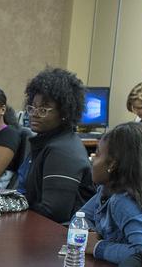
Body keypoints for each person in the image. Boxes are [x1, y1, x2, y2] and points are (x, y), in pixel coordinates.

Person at [14, 67, 95, 224]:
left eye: (43, 109)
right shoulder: (47, 141)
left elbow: (53, 212)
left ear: (64, 113)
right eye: (32, 107)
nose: (35, 113)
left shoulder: (63, 151)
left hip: (59, 237)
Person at [80, 122, 142, 265]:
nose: (93, 159)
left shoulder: (124, 201)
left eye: (98, 154)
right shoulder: (106, 190)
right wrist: (91, 232)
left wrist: (97, 246)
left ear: (112, 164)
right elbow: (79, 218)